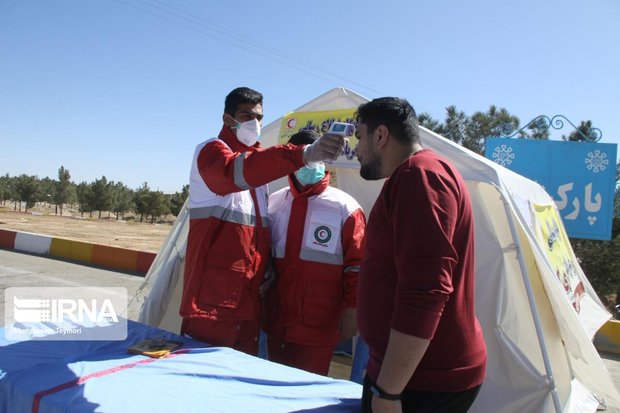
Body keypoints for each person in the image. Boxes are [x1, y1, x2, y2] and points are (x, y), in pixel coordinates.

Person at [179, 87, 346, 356]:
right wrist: (303, 154)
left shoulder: (258, 174)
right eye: (246, 116)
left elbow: (255, 230)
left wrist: (266, 262)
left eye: (259, 117)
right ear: (227, 119)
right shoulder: (211, 152)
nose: (255, 124)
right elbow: (235, 172)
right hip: (212, 303)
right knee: (202, 379)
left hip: (248, 300)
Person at [355, 97, 487, 413]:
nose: (356, 149)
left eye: (359, 137)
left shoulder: (420, 177)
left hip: (423, 381)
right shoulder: (418, 174)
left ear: (381, 136)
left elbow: (425, 290)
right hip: (409, 374)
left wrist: (388, 391)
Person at [262, 130, 366, 375]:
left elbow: (358, 264)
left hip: (318, 324)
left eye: (316, 155)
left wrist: (353, 309)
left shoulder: (345, 207)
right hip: (276, 321)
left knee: (305, 394)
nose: (311, 163)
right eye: (305, 157)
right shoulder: (275, 202)